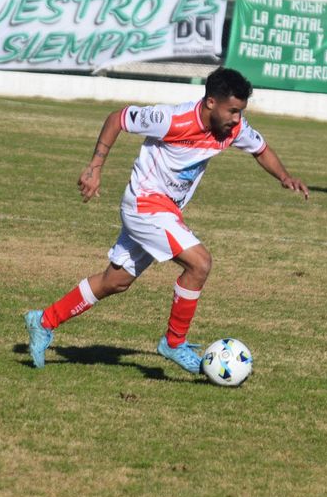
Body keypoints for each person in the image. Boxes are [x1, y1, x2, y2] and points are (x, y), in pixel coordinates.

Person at [23, 67, 308, 375]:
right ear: (211, 102)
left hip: (166, 210)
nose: (237, 119)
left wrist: (284, 177)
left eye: (241, 112)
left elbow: (260, 149)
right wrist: (95, 166)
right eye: (233, 111)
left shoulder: (233, 128)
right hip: (145, 204)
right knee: (200, 264)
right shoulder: (171, 119)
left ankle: (44, 321)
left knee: (115, 281)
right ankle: (174, 342)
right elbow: (118, 118)